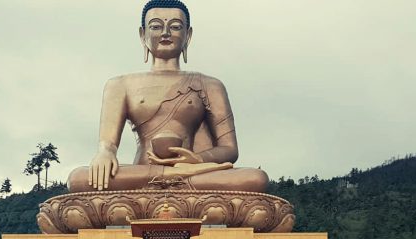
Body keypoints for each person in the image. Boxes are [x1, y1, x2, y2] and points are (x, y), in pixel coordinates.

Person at [66, 0, 269, 194]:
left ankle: (173, 176)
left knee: (255, 178)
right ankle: (170, 175)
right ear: (142, 34)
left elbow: (229, 149)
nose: (165, 33)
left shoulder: (210, 85)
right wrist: (105, 153)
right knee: (79, 178)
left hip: (193, 172)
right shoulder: (119, 85)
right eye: (155, 27)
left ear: (188, 36)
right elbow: (107, 143)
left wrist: (197, 160)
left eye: (175, 26)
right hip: (144, 172)